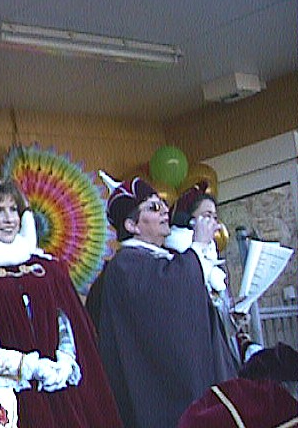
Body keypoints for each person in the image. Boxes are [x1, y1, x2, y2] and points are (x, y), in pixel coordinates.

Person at [0, 164, 122, 428]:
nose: (9, 219)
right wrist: (30, 367)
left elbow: (68, 325)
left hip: (61, 394)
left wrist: (65, 362)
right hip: (10, 402)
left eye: (13, 209)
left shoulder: (47, 270)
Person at [86, 173, 238, 428]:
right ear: (132, 225)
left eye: (163, 205)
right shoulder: (125, 266)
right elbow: (169, 298)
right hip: (159, 399)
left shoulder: (162, 259)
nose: (165, 211)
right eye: (153, 208)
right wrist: (198, 246)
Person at [167, 182, 262, 367]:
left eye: (215, 217)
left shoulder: (214, 264)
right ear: (189, 221)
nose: (214, 224)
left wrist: (232, 318)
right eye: (207, 216)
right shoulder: (176, 261)